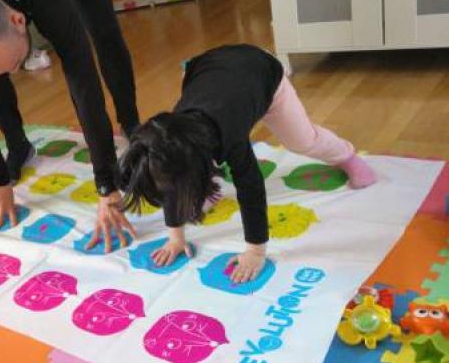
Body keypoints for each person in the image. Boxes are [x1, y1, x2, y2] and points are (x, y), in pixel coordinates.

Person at [118, 44, 377, 283]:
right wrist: (175, 238)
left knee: (302, 141)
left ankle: (346, 155)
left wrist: (255, 251)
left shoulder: (229, 136)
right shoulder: (168, 135)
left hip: (261, 73)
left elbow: (251, 189)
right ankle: (199, 185)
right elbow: (170, 178)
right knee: (176, 172)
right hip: (210, 69)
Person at [0, 0, 140, 250]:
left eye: (15, 64)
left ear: (18, 20)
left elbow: (82, 81)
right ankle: (18, 146)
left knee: (103, 31)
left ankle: (131, 122)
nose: (15, 73)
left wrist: (106, 184)